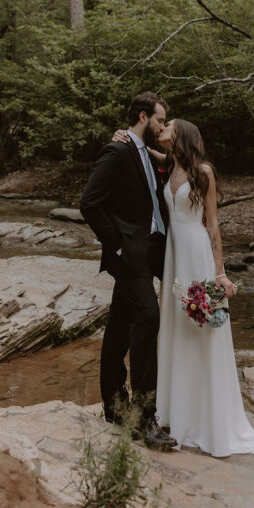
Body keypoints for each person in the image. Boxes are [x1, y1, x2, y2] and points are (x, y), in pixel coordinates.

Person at [150, 117, 254, 461]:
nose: (163, 128)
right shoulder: (169, 164)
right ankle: (177, 414)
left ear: (184, 133)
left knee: (201, 329)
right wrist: (128, 138)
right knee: (175, 326)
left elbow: (213, 224)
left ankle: (209, 419)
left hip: (197, 252)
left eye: (168, 124)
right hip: (174, 255)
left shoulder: (204, 172)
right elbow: (146, 151)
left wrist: (219, 274)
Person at [80, 91, 177, 450]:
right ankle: (143, 417)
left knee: (120, 325)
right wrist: (116, 244)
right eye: (159, 120)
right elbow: (89, 203)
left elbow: (179, 164)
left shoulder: (145, 154)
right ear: (142, 116)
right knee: (148, 317)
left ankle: (114, 404)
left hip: (153, 251)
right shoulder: (118, 152)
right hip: (130, 254)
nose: (163, 126)